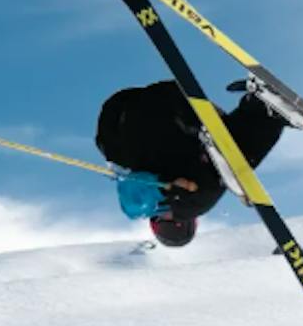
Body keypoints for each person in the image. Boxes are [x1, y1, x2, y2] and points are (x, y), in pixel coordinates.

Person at [94, 81, 289, 247]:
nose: (174, 221)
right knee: (219, 158)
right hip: (133, 103)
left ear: (154, 222)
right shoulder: (125, 173)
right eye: (180, 225)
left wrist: (172, 192)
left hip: (166, 112)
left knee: (225, 172)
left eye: (169, 225)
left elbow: (142, 200)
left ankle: (266, 112)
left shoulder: (180, 202)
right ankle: (259, 108)